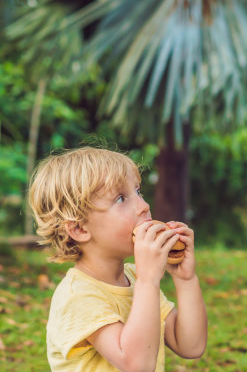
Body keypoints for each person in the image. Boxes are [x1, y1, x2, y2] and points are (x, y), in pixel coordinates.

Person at [29, 146, 207, 371]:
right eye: (121, 198)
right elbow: (137, 366)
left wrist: (186, 280)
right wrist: (148, 280)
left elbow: (191, 345)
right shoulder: (78, 296)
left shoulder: (134, 277)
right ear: (80, 228)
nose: (144, 206)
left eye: (138, 192)